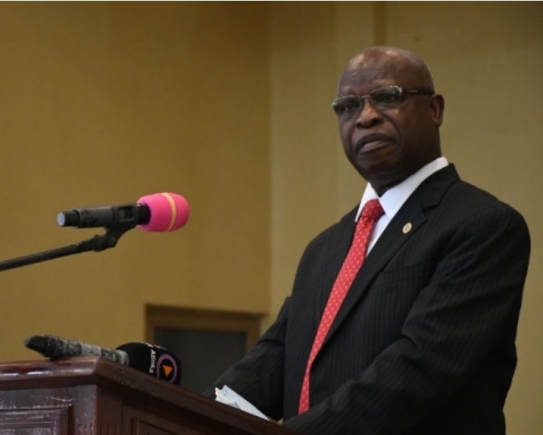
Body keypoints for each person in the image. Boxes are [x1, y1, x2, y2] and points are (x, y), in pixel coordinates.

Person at [204, 46, 531, 435]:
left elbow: (418, 369)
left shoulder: (481, 225)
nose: (366, 116)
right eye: (348, 106)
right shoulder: (324, 248)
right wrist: (191, 417)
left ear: (435, 110)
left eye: (387, 97)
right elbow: (276, 357)